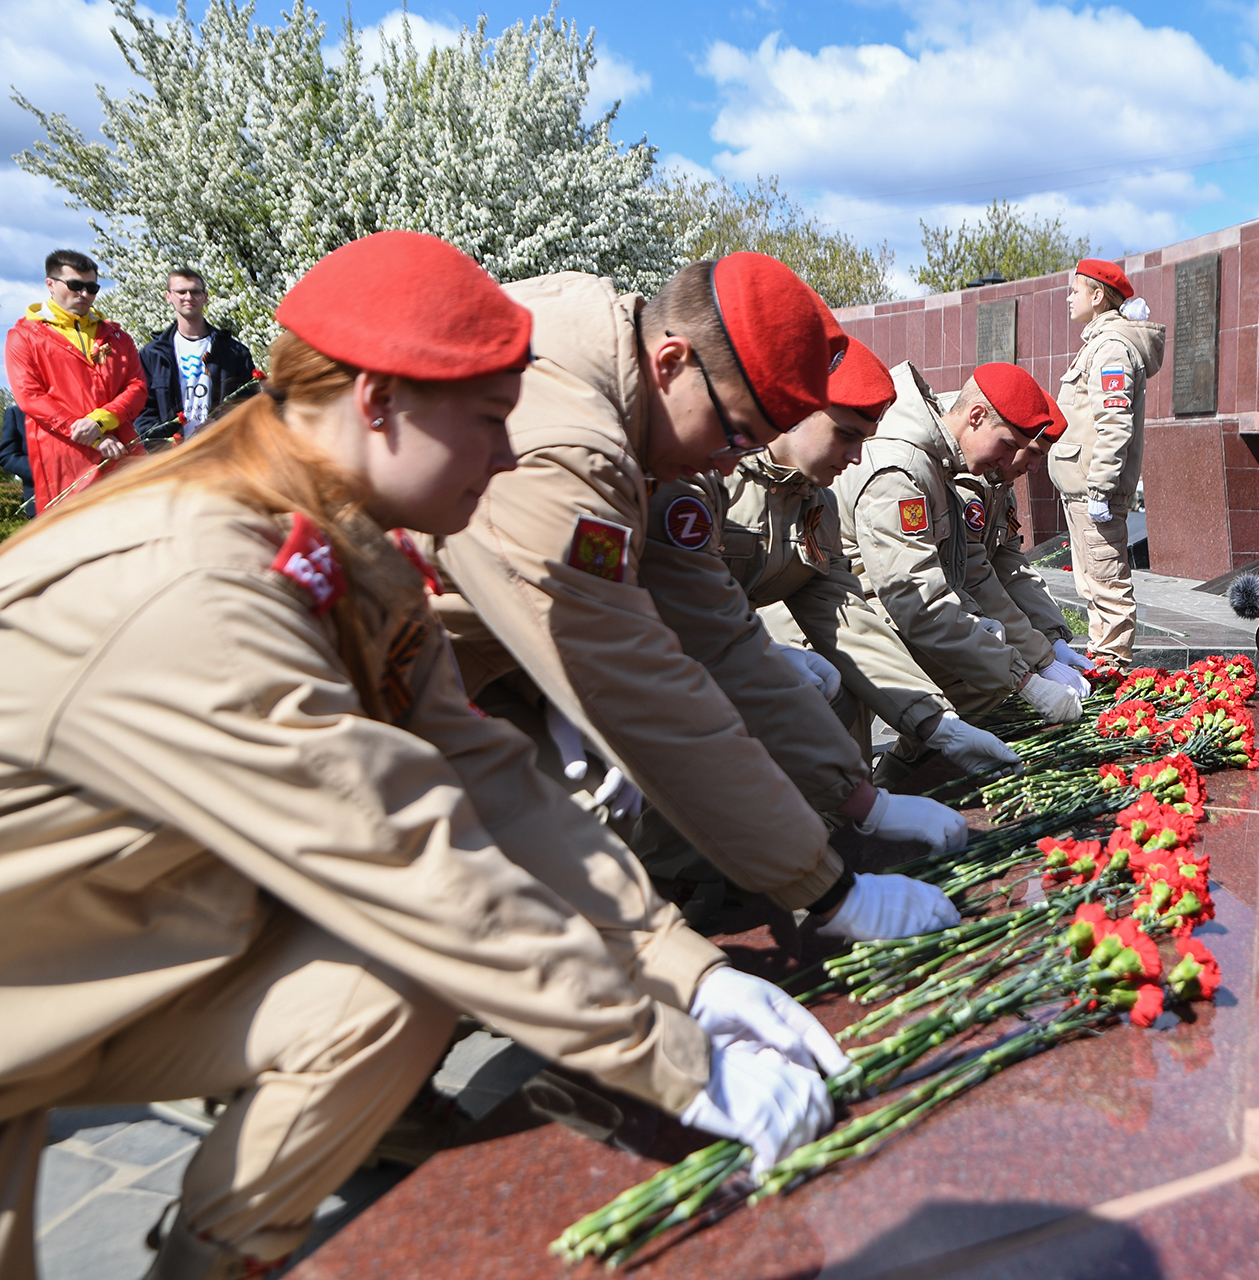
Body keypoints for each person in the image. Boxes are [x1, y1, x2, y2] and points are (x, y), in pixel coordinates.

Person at [0, 232, 842, 1280]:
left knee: (384, 989)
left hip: (102, 955)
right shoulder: (201, 585)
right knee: (425, 931)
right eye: (488, 422)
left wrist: (689, 969)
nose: (504, 456)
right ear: (377, 401)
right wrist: (676, 1055)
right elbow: (418, 865)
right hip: (37, 978)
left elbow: (489, 779)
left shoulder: (351, 547)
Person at [424, 254, 960, 944]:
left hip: (472, 662)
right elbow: (635, 686)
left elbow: (722, 638)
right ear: (673, 362)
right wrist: (828, 891)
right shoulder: (571, 452)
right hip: (371, 683)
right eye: (735, 435)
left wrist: (860, 800)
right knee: (490, 918)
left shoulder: (648, 409)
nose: (728, 467)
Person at [667, 338, 1019, 777]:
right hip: (674, 684)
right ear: (800, 410)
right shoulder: (710, 476)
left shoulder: (817, 503)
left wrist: (935, 722)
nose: (855, 457)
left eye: (864, 439)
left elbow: (840, 611)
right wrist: (767, 654)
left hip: (757, 666)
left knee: (839, 766)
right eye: (846, 435)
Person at [836, 361, 1092, 731]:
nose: (1012, 463)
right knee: (985, 694)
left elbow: (981, 565)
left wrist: (1048, 643)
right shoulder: (903, 473)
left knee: (980, 696)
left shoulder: (942, 464)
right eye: (1011, 446)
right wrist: (1025, 674)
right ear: (975, 416)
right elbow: (919, 599)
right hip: (860, 630)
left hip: (886, 623)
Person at [1049, 258, 1164, 669]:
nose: (1068, 299)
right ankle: (1104, 668)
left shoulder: (1111, 347)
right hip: (1082, 490)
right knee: (1094, 586)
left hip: (1093, 492)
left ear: (1098, 296)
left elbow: (1114, 425)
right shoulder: (1100, 342)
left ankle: (1112, 679)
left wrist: (1100, 489)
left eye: (1074, 291)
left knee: (1108, 587)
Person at [953, 388, 1095, 677]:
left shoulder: (999, 487)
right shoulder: (968, 481)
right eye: (1031, 452)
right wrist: (1040, 657)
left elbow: (1010, 565)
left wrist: (1053, 638)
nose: (1034, 467)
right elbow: (974, 572)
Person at [4, 249, 145, 511]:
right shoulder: (23, 337)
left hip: (123, 453)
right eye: (75, 285)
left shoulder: (118, 336)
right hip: (65, 462)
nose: (84, 294)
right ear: (50, 284)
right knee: (74, 543)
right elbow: (30, 397)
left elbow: (137, 387)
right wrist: (91, 436)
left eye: (92, 287)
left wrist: (100, 421)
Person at [133, 267, 259, 445]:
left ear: (205, 297)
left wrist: (219, 425)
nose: (188, 297)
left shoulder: (234, 351)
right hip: (174, 458)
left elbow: (249, 402)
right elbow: (143, 409)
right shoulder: (152, 354)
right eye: (181, 292)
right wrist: (163, 447)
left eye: (195, 292)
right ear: (168, 296)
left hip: (224, 451)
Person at [0, 404, 31, 516]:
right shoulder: (15, 413)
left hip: (82, 495)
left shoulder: (72, 406)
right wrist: (41, 471)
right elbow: (7, 455)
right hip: (40, 501)